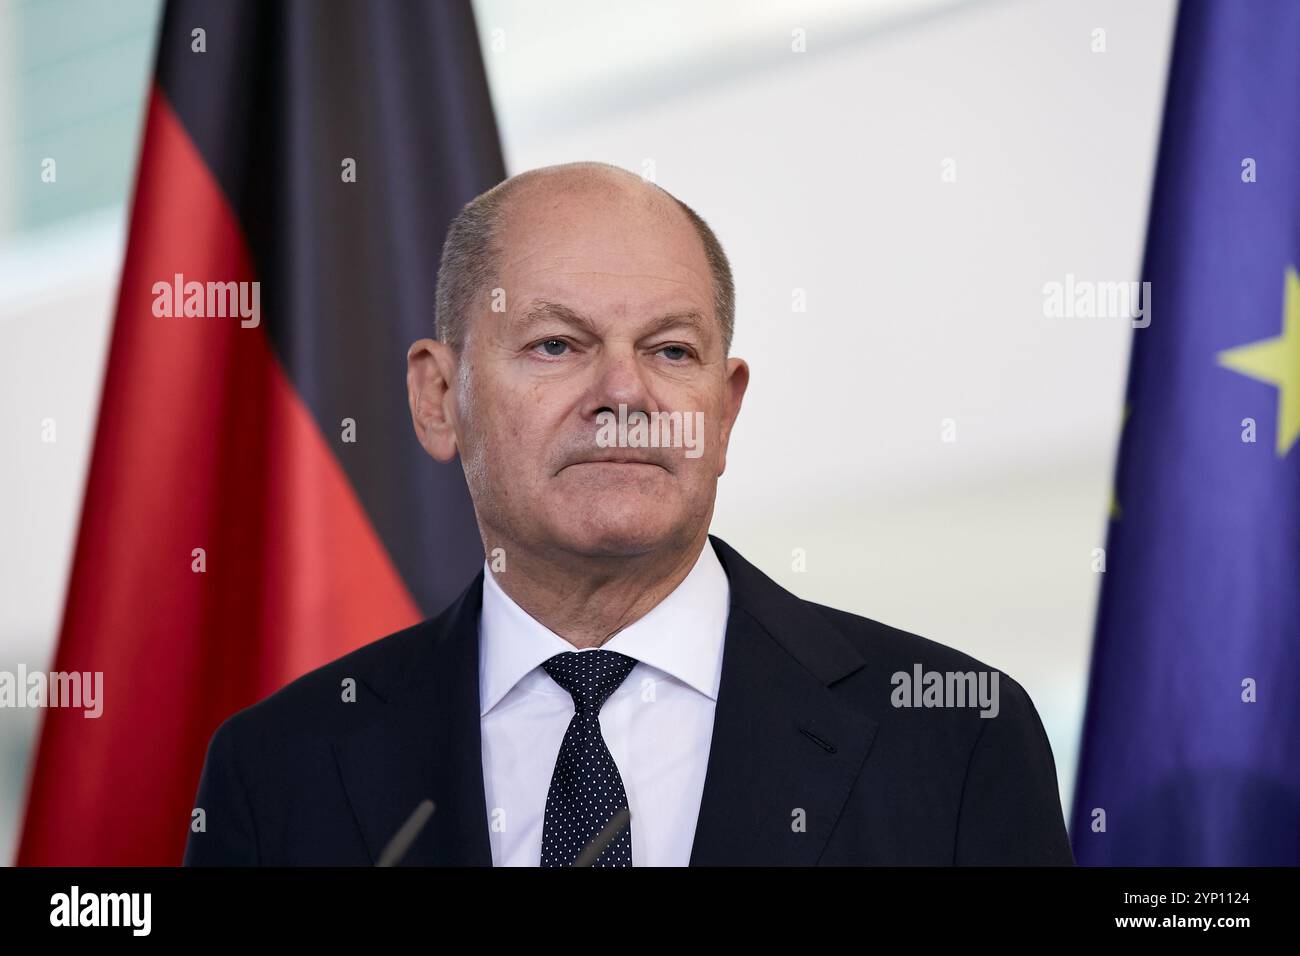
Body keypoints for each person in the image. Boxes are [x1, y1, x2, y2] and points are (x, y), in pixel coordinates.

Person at [184, 162, 1074, 866]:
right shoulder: (279, 770)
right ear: (438, 396)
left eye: (671, 349)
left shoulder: (955, 740)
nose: (623, 393)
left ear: (723, 412)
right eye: (557, 344)